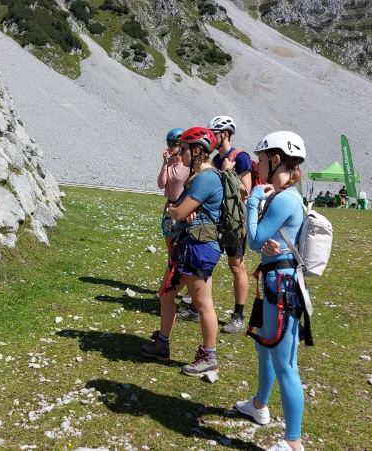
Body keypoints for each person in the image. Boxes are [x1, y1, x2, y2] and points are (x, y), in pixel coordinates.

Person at [234, 131, 308, 451]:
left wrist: (252, 201)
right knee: (264, 347)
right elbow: (263, 240)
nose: (256, 164)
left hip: (282, 287)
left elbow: (252, 240)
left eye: (260, 159)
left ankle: (293, 442)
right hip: (275, 282)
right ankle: (259, 405)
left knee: (286, 364)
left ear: (275, 160)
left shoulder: (286, 198)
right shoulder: (283, 196)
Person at [142, 127, 223, 376]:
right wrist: (180, 212)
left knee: (202, 302)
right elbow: (184, 211)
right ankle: (163, 343)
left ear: (196, 150)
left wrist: (173, 211)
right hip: (187, 245)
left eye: (185, 149)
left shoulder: (206, 178)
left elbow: (178, 211)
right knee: (166, 293)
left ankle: (209, 355)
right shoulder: (199, 175)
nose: (183, 154)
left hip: (199, 247)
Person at [208, 115, 252, 334]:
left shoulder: (240, 157)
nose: (210, 138)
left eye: (213, 134)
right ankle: (196, 305)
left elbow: (246, 192)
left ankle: (238, 316)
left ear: (224, 134)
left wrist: (227, 171)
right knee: (208, 259)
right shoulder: (215, 159)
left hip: (234, 220)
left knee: (236, 266)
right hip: (217, 217)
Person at [157, 128, 192, 306]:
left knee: (182, 250)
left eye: (173, 144)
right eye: (168, 144)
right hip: (168, 209)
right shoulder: (169, 162)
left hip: (182, 209)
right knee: (171, 250)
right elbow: (161, 184)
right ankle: (171, 283)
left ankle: (185, 287)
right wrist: (164, 164)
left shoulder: (188, 166)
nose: (169, 147)